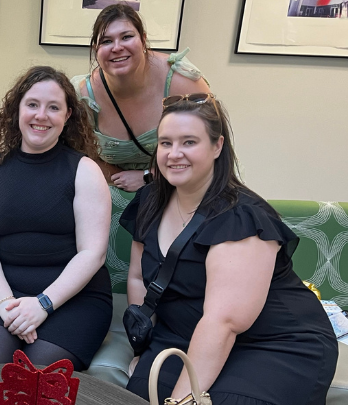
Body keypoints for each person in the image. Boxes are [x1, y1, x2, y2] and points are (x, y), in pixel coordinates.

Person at [122, 93, 338, 404]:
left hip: (274, 344)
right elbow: (138, 279)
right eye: (166, 143)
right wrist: (142, 346)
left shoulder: (241, 217)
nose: (173, 153)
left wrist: (181, 401)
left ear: (217, 146)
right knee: (140, 394)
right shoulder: (150, 201)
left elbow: (222, 323)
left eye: (188, 142)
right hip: (183, 335)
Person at [0, 66, 113, 371]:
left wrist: (43, 304)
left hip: (73, 298)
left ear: (68, 115)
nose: (41, 115)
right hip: (5, 292)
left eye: (53, 107)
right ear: (17, 109)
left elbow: (93, 253)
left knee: (38, 375)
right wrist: (5, 304)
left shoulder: (85, 171)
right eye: (32, 104)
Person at [71, 3, 210, 192]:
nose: (117, 47)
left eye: (126, 37)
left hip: (184, 187)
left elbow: (209, 150)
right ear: (96, 49)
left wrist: (149, 176)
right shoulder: (84, 96)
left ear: (143, 40)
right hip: (116, 189)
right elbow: (80, 157)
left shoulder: (182, 82)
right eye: (106, 41)